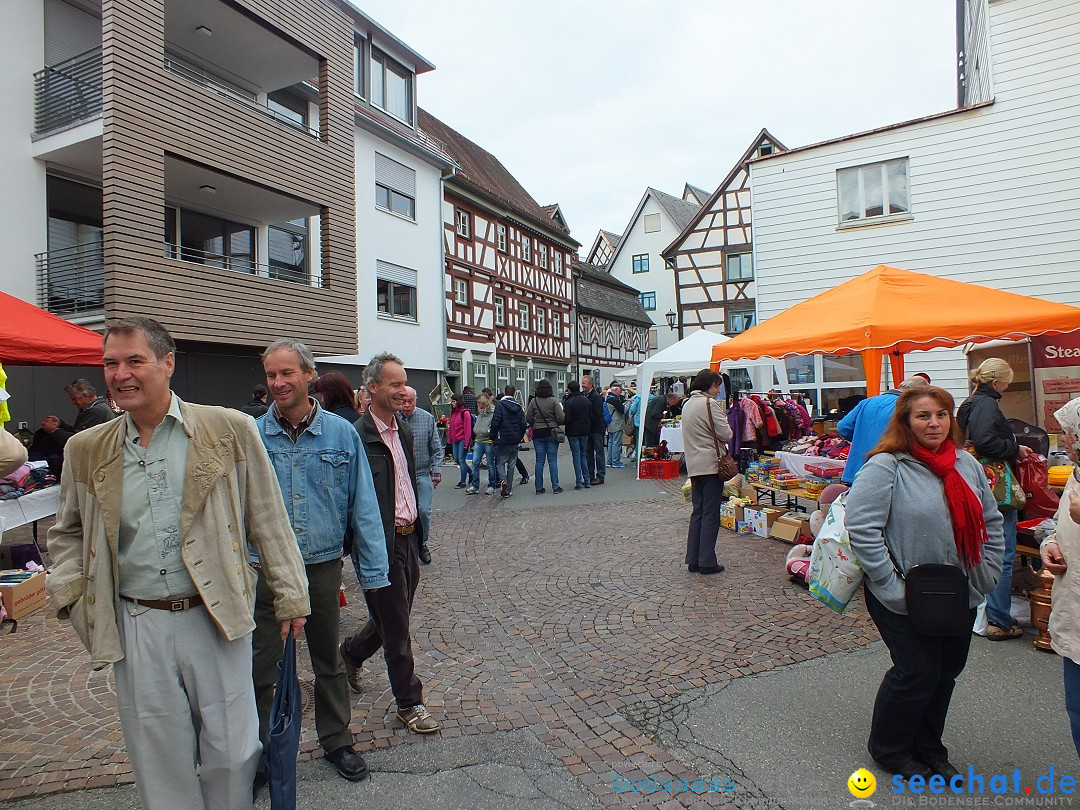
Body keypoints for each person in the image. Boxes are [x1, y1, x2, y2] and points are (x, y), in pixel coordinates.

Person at [46, 317, 311, 810]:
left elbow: (267, 517)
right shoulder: (86, 448)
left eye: (134, 361)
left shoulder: (226, 429)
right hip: (137, 620)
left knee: (234, 751)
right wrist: (75, 597)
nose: (120, 374)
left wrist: (291, 594)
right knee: (157, 755)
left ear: (167, 363)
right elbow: (67, 532)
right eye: (110, 363)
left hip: (216, 615)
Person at [846, 387, 1004, 781]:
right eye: (923, 416)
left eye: (941, 415)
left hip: (959, 589)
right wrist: (889, 584)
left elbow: (993, 520)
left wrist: (988, 574)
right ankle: (889, 749)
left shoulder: (965, 464)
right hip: (903, 591)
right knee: (916, 671)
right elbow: (862, 528)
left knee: (947, 670)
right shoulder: (886, 466)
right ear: (905, 422)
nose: (934, 423)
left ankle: (930, 748)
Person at [253, 340, 390, 786]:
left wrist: (373, 574)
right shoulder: (253, 435)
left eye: (286, 373)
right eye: (271, 375)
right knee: (264, 665)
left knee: (327, 659)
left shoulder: (340, 433)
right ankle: (264, 750)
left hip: (322, 564)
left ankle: (336, 740)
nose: (278, 383)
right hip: (267, 570)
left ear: (309, 375)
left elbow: (363, 506)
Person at [341, 352, 440, 734]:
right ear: (373, 388)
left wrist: (417, 534)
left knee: (392, 618)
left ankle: (350, 653)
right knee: (397, 627)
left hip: (407, 538)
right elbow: (347, 497)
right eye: (395, 384)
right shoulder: (357, 436)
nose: (404, 390)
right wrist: (356, 547)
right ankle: (409, 702)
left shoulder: (405, 428)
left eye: (404, 382)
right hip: (377, 545)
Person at [956, 358, 1032, 641]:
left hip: (977, 480)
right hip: (994, 484)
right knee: (1003, 552)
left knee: (981, 548)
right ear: (998, 382)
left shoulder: (970, 402)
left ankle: (985, 614)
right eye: (1007, 382)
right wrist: (1014, 448)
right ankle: (998, 619)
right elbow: (986, 440)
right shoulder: (987, 404)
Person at [1038, 398, 1080, 757]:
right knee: (1078, 713)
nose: (1065, 444)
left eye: (1068, 435)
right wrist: (1050, 545)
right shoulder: (1077, 477)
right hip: (1074, 614)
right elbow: (1059, 527)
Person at [681, 370, 734, 575]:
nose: (718, 389)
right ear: (707, 386)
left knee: (698, 512)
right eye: (716, 385)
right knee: (711, 513)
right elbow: (726, 434)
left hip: (694, 466)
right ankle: (707, 561)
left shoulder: (687, 405)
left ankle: (693, 559)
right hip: (711, 465)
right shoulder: (708, 404)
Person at [838, 377, 929, 485]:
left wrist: (861, 437)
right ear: (917, 392)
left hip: (856, 469)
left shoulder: (867, 402)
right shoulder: (905, 407)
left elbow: (843, 427)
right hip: (888, 472)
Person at [399, 386, 440, 564]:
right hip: (400, 475)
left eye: (410, 401)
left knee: (423, 509)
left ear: (416, 400)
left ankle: (422, 542)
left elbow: (437, 448)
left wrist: (436, 471)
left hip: (421, 473)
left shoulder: (427, 418)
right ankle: (402, 547)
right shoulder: (392, 419)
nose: (407, 405)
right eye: (403, 401)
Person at [39, 378, 116, 450]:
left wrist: (54, 430)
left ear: (85, 395)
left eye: (74, 398)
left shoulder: (97, 411)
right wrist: (60, 424)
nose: (73, 403)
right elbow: (78, 433)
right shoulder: (95, 408)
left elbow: (78, 440)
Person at [525, 379, 565, 494]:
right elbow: (561, 417)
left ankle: (538, 488)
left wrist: (535, 423)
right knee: (552, 460)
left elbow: (528, 418)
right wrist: (555, 422)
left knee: (539, 461)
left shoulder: (534, 401)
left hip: (538, 433)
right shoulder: (553, 401)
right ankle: (555, 487)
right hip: (552, 432)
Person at [490, 384, 528, 498]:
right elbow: (523, 424)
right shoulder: (519, 406)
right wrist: (520, 436)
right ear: (514, 393)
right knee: (512, 464)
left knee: (500, 462)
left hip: (503, 439)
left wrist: (492, 437)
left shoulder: (500, 406)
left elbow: (495, 422)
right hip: (515, 439)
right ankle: (509, 489)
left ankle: (503, 480)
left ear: (504, 392)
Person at [563, 380, 592, 490]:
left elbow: (567, 419)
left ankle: (579, 481)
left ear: (569, 390)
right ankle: (587, 479)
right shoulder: (586, 400)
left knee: (576, 455)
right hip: (585, 430)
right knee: (583, 454)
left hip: (573, 431)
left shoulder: (569, 402)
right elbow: (590, 415)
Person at [467, 393, 497, 494]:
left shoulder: (493, 413)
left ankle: (492, 485)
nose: (478, 404)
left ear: (485, 402)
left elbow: (494, 426)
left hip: (488, 441)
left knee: (490, 464)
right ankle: (475, 486)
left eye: (479, 402)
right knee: (475, 462)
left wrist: (488, 431)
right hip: (479, 440)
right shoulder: (480, 412)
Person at [581, 374, 606, 485]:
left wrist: (585, 418)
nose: (582, 385)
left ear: (590, 384)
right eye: (582, 383)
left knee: (599, 452)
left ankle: (600, 476)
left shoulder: (596, 397)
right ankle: (589, 476)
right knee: (588, 453)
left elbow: (597, 414)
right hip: (587, 429)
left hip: (596, 428)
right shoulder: (584, 396)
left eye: (584, 383)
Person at [448, 393, 473, 488]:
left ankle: (462, 481)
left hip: (462, 439)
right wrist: (449, 438)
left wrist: (467, 442)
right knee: (457, 459)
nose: (452, 403)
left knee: (461, 460)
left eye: (453, 401)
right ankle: (471, 473)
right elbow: (451, 427)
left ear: (458, 402)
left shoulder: (465, 413)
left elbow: (467, 429)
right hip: (455, 439)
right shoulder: (453, 412)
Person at [605, 384, 627, 468]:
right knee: (616, 442)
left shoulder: (608, 398)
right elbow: (622, 410)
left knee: (611, 442)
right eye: (620, 390)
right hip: (617, 423)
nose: (621, 392)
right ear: (616, 390)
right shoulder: (614, 399)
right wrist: (627, 404)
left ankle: (609, 461)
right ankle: (615, 461)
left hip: (610, 422)